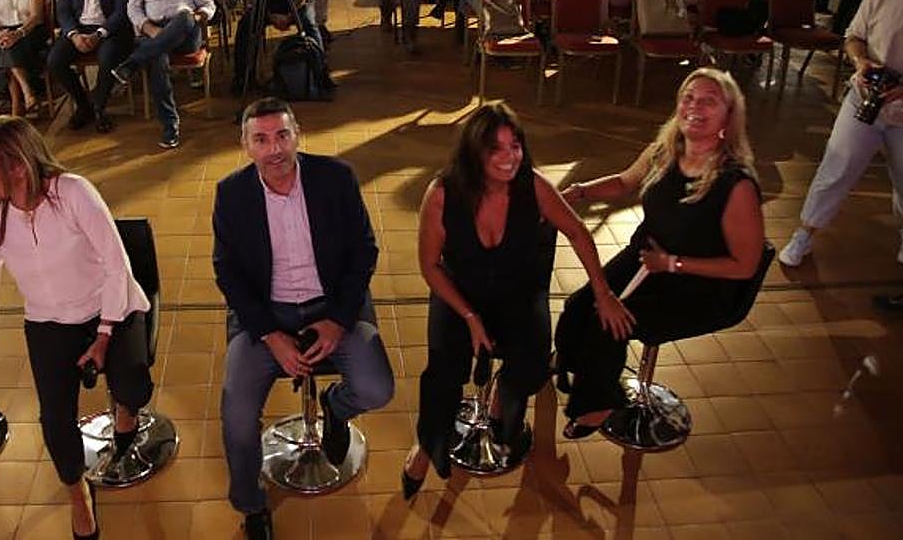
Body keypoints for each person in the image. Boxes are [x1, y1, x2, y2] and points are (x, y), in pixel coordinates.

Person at [0, 116, 152, 540]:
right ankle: (77, 494)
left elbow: (116, 265)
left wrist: (104, 334)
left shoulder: (73, 192)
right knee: (54, 418)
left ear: (17, 166)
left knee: (133, 387)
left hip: (113, 308)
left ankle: (127, 411)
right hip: (49, 322)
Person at [401, 101, 629, 495]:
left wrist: (603, 292)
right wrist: (470, 316)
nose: (510, 158)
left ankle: (500, 401)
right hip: (460, 294)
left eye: (516, 146)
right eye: (496, 149)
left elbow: (577, 232)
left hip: (518, 293)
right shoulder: (442, 193)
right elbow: (429, 266)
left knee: (532, 365)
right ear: (474, 153)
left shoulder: (535, 185)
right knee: (444, 371)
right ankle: (427, 444)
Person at [213, 98, 395, 540]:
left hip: (331, 306)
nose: (274, 149)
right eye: (261, 139)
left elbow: (364, 251)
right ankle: (252, 504)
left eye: (282, 135)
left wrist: (337, 320)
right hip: (265, 315)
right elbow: (228, 272)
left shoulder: (335, 178)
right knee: (237, 417)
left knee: (377, 389)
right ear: (245, 145)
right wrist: (271, 335)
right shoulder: (232, 193)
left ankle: (335, 408)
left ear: (298, 135)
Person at [555, 68, 765, 437]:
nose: (694, 107)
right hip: (647, 258)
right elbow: (624, 181)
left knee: (609, 324)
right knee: (578, 306)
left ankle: (597, 406)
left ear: (729, 117)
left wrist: (672, 263)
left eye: (708, 101)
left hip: (698, 284)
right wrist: (580, 191)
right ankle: (575, 367)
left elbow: (745, 265)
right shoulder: (664, 152)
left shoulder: (737, 184)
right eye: (688, 98)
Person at [778, 0, 903, 274]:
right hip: (865, 99)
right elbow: (854, 37)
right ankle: (804, 234)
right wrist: (862, 63)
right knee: (837, 166)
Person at [111, 0, 216, 149]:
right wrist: (150, 29)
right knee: (157, 58)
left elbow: (208, 5)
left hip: (186, 33)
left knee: (184, 16)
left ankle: (130, 64)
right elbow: (133, 8)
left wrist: (197, 17)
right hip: (153, 29)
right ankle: (170, 126)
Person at [47, 0, 132, 134]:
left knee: (108, 59)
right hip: (78, 28)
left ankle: (99, 108)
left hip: (109, 29)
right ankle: (83, 103)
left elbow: (121, 11)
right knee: (54, 61)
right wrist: (74, 35)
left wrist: (100, 34)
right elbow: (64, 11)